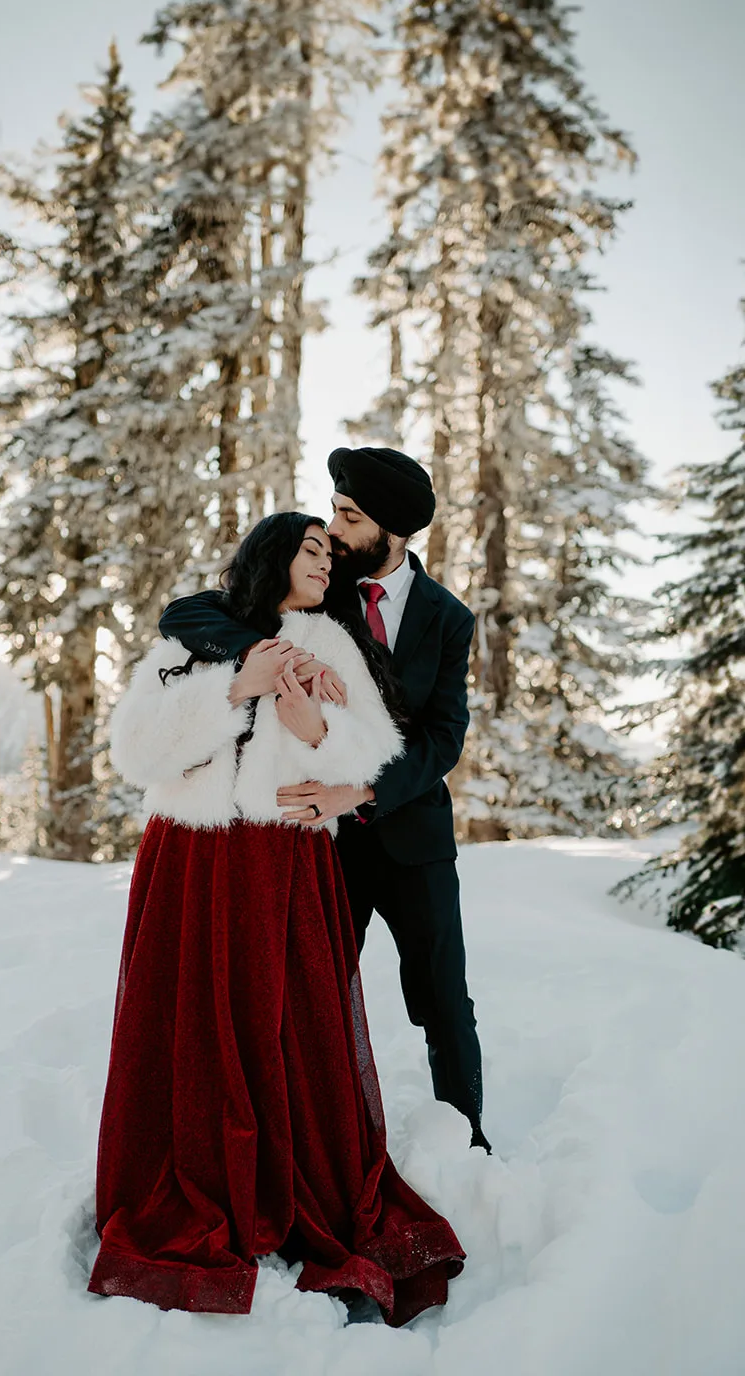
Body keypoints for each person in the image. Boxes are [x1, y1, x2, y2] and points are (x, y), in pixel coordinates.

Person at [88, 513, 465, 1326]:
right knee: (189, 1023)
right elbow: (136, 751)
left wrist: (314, 728)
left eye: (331, 551)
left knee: (281, 1027)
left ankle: (283, 1182)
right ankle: (198, 1177)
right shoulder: (198, 639)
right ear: (273, 557)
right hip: (189, 858)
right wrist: (235, 690)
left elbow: (374, 750)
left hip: (281, 864)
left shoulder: (329, 647)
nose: (325, 562)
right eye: (312, 548)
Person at [160, 447, 491, 1153]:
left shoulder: (448, 620)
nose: (334, 529)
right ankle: (307, 1146)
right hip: (317, 843)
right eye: (335, 511)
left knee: (444, 1001)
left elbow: (442, 740)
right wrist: (287, 656)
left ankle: (469, 1145)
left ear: (392, 532)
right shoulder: (321, 583)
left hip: (410, 837)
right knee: (307, 997)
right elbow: (189, 613)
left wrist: (361, 790)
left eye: (350, 515)